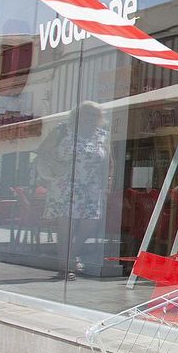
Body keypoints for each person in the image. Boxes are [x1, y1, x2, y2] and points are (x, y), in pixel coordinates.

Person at [35, 100, 110, 280]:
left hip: (91, 186)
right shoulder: (63, 130)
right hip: (65, 183)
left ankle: (72, 254)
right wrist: (55, 165)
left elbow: (109, 160)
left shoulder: (102, 135)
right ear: (77, 114)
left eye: (94, 114)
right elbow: (42, 150)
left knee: (90, 223)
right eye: (86, 113)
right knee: (66, 225)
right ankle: (65, 266)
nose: (90, 117)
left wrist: (108, 181)